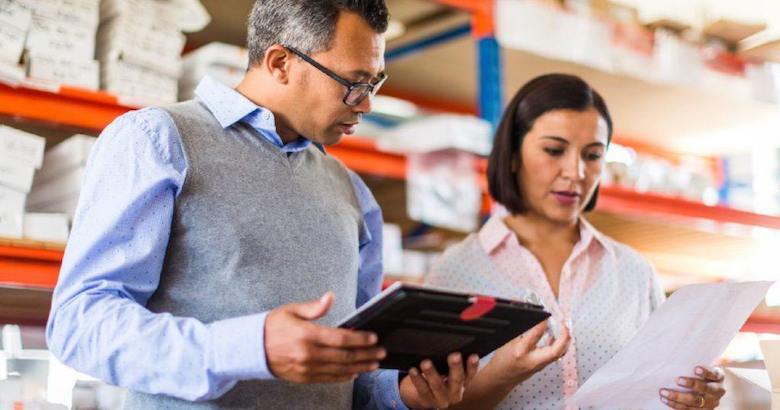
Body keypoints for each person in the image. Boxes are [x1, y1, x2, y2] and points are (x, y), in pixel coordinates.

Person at [45, 1, 484, 408]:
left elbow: (358, 367)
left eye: (374, 83)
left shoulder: (351, 192)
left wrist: (400, 393)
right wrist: (249, 348)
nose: (366, 103)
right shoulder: (159, 140)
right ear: (280, 63)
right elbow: (80, 326)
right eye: (353, 84)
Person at [425, 73, 727, 409]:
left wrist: (692, 397)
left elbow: (658, 390)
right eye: (554, 150)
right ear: (512, 154)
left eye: (593, 155)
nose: (576, 172)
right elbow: (428, 403)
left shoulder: (633, 273)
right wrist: (500, 377)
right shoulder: (455, 272)